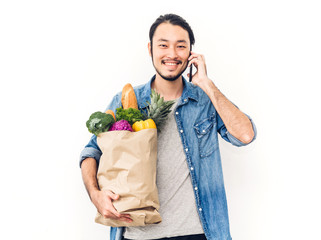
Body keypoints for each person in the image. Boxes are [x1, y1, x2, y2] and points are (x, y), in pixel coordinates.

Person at [80, 13, 257, 240]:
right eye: (163, 45)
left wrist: (206, 84)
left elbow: (245, 135)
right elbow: (91, 152)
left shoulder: (205, 102)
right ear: (150, 49)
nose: (172, 54)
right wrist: (95, 195)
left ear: (191, 52)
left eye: (180, 46)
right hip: (137, 233)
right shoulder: (127, 100)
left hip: (197, 234)